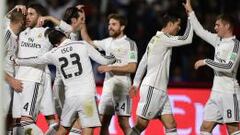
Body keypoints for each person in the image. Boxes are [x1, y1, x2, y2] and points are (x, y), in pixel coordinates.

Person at [15, 29, 116, 135]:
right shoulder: (82, 44)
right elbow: (105, 60)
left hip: (70, 98)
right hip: (87, 97)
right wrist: (113, 58)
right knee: (88, 127)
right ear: (64, 35)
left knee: (63, 130)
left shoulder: (53, 53)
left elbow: (35, 59)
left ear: (55, 44)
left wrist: (17, 61)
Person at [128, 13, 193, 135]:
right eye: (178, 25)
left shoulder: (155, 39)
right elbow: (187, 38)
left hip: (160, 90)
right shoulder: (164, 39)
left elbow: (143, 62)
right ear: (169, 24)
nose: (179, 29)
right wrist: (191, 16)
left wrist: (136, 83)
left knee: (171, 125)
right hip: (153, 89)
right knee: (141, 125)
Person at [183, 0, 240, 134]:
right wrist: (191, 12)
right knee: (205, 128)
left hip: (229, 93)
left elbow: (229, 67)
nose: (215, 27)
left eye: (217, 25)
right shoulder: (217, 40)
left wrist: (207, 61)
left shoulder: (236, 45)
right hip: (215, 93)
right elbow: (200, 31)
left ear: (227, 26)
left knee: (232, 130)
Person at [80, 12, 138, 135]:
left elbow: (132, 67)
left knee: (124, 124)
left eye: (114, 24)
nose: (109, 27)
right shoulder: (107, 42)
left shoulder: (130, 44)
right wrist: (82, 22)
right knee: (103, 122)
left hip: (122, 88)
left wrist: (110, 68)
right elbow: (88, 42)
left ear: (122, 27)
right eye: (109, 24)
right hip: (108, 89)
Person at [12, 3, 55, 134]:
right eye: (27, 14)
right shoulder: (22, 32)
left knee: (26, 121)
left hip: (33, 79)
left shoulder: (47, 33)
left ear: (40, 17)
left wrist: (50, 19)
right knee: (16, 125)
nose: (27, 17)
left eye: (32, 14)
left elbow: (68, 31)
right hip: (18, 80)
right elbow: (3, 26)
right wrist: (13, 11)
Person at [3, 7, 26, 134]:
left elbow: (6, 18)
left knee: (9, 118)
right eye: (26, 19)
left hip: (10, 83)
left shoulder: (14, 35)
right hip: (4, 82)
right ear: (21, 23)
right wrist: (11, 81)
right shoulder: (6, 35)